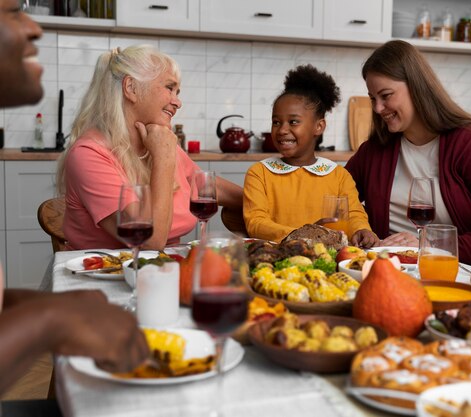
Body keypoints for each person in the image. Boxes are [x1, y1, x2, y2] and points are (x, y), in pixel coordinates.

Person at [0, 0, 147, 394]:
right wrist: (51, 319)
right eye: (13, 11)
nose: (34, 28)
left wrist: (57, 309)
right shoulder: (91, 151)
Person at [345, 40, 471, 266]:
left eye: (386, 95)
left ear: (416, 87)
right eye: (373, 98)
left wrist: (429, 246)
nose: (377, 108)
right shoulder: (374, 152)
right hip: (406, 272)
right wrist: (360, 226)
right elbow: (340, 196)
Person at [56, 45, 243, 250]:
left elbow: (205, 186)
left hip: (160, 270)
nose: (178, 102)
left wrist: (265, 203)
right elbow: (150, 241)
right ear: (131, 88)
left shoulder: (157, 141)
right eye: (169, 88)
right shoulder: (88, 155)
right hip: (102, 275)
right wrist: (163, 159)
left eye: (177, 92)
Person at [243, 64, 378, 246]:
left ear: (319, 127)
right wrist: (303, 235)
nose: (282, 130)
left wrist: (363, 230)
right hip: (275, 263)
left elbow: (354, 215)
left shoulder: (338, 176)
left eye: (293, 121)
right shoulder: (259, 173)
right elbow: (256, 223)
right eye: (276, 122)